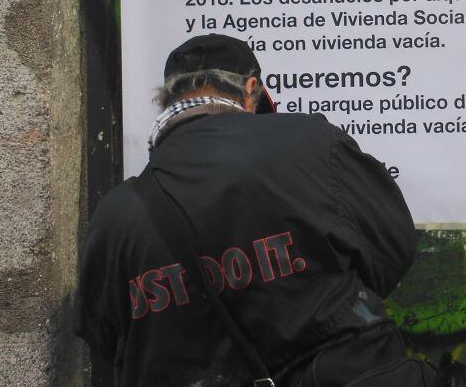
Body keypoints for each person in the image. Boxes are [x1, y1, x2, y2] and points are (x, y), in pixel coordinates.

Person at [76, 34, 421, 386]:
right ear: (251, 89)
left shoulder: (115, 217)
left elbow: (105, 337)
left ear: (168, 101)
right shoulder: (311, 144)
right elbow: (394, 244)